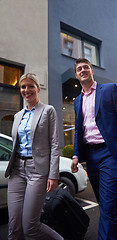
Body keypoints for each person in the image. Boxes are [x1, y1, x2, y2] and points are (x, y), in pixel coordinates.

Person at [71, 58, 117, 240]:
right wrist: (75, 155)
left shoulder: (109, 89)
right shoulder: (77, 100)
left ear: (92, 70)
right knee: (105, 207)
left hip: (110, 154)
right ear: (76, 74)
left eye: (85, 67)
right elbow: (79, 129)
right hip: (91, 156)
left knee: (108, 206)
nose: (82, 70)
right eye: (79, 69)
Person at [5, 73, 63, 240]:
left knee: (30, 227)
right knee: (14, 226)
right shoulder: (17, 116)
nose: (26, 90)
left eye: (31, 86)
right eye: (23, 87)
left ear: (38, 88)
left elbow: (54, 143)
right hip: (16, 170)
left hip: (37, 171)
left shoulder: (48, 110)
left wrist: (53, 175)